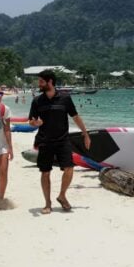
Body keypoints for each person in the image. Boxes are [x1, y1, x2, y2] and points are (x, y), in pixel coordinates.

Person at [28, 69, 91, 214]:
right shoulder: (37, 100)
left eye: (41, 81)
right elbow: (31, 120)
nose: (39, 84)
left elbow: (75, 117)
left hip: (63, 140)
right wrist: (34, 123)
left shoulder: (65, 98)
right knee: (45, 172)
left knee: (69, 168)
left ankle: (62, 195)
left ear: (50, 82)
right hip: (44, 140)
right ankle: (47, 203)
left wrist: (86, 134)